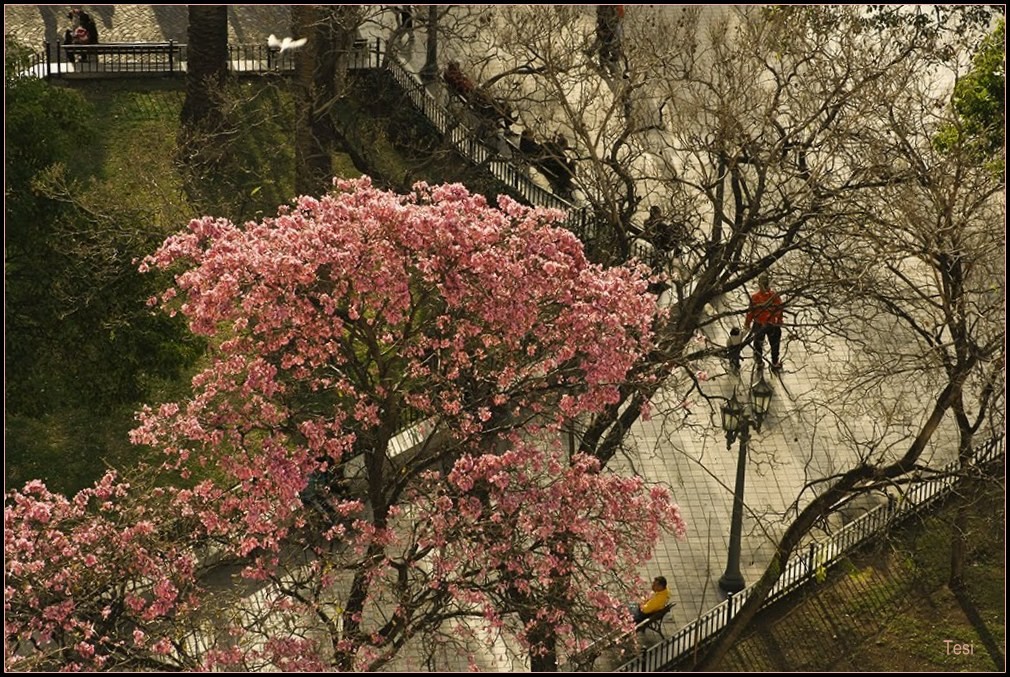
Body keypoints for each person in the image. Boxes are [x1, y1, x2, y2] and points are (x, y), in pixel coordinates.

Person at [745, 273, 785, 371]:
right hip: (772, 324)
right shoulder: (774, 296)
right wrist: (779, 320)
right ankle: (774, 363)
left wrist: (747, 323)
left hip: (759, 324)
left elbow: (751, 312)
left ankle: (759, 362)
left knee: (758, 344)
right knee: (775, 344)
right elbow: (779, 309)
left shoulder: (755, 297)